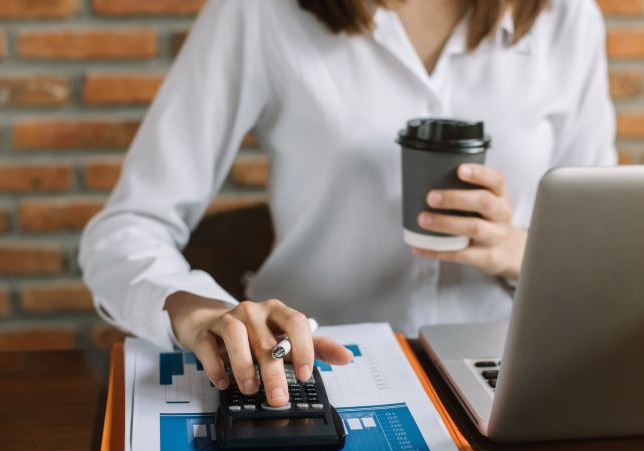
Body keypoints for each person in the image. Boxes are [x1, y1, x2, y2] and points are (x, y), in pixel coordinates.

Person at [79, 0, 616, 408]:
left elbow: (604, 243)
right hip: (308, 372)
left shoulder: (566, 17)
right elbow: (128, 226)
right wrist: (200, 312)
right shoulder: (259, 13)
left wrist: (522, 251)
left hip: (506, 377)